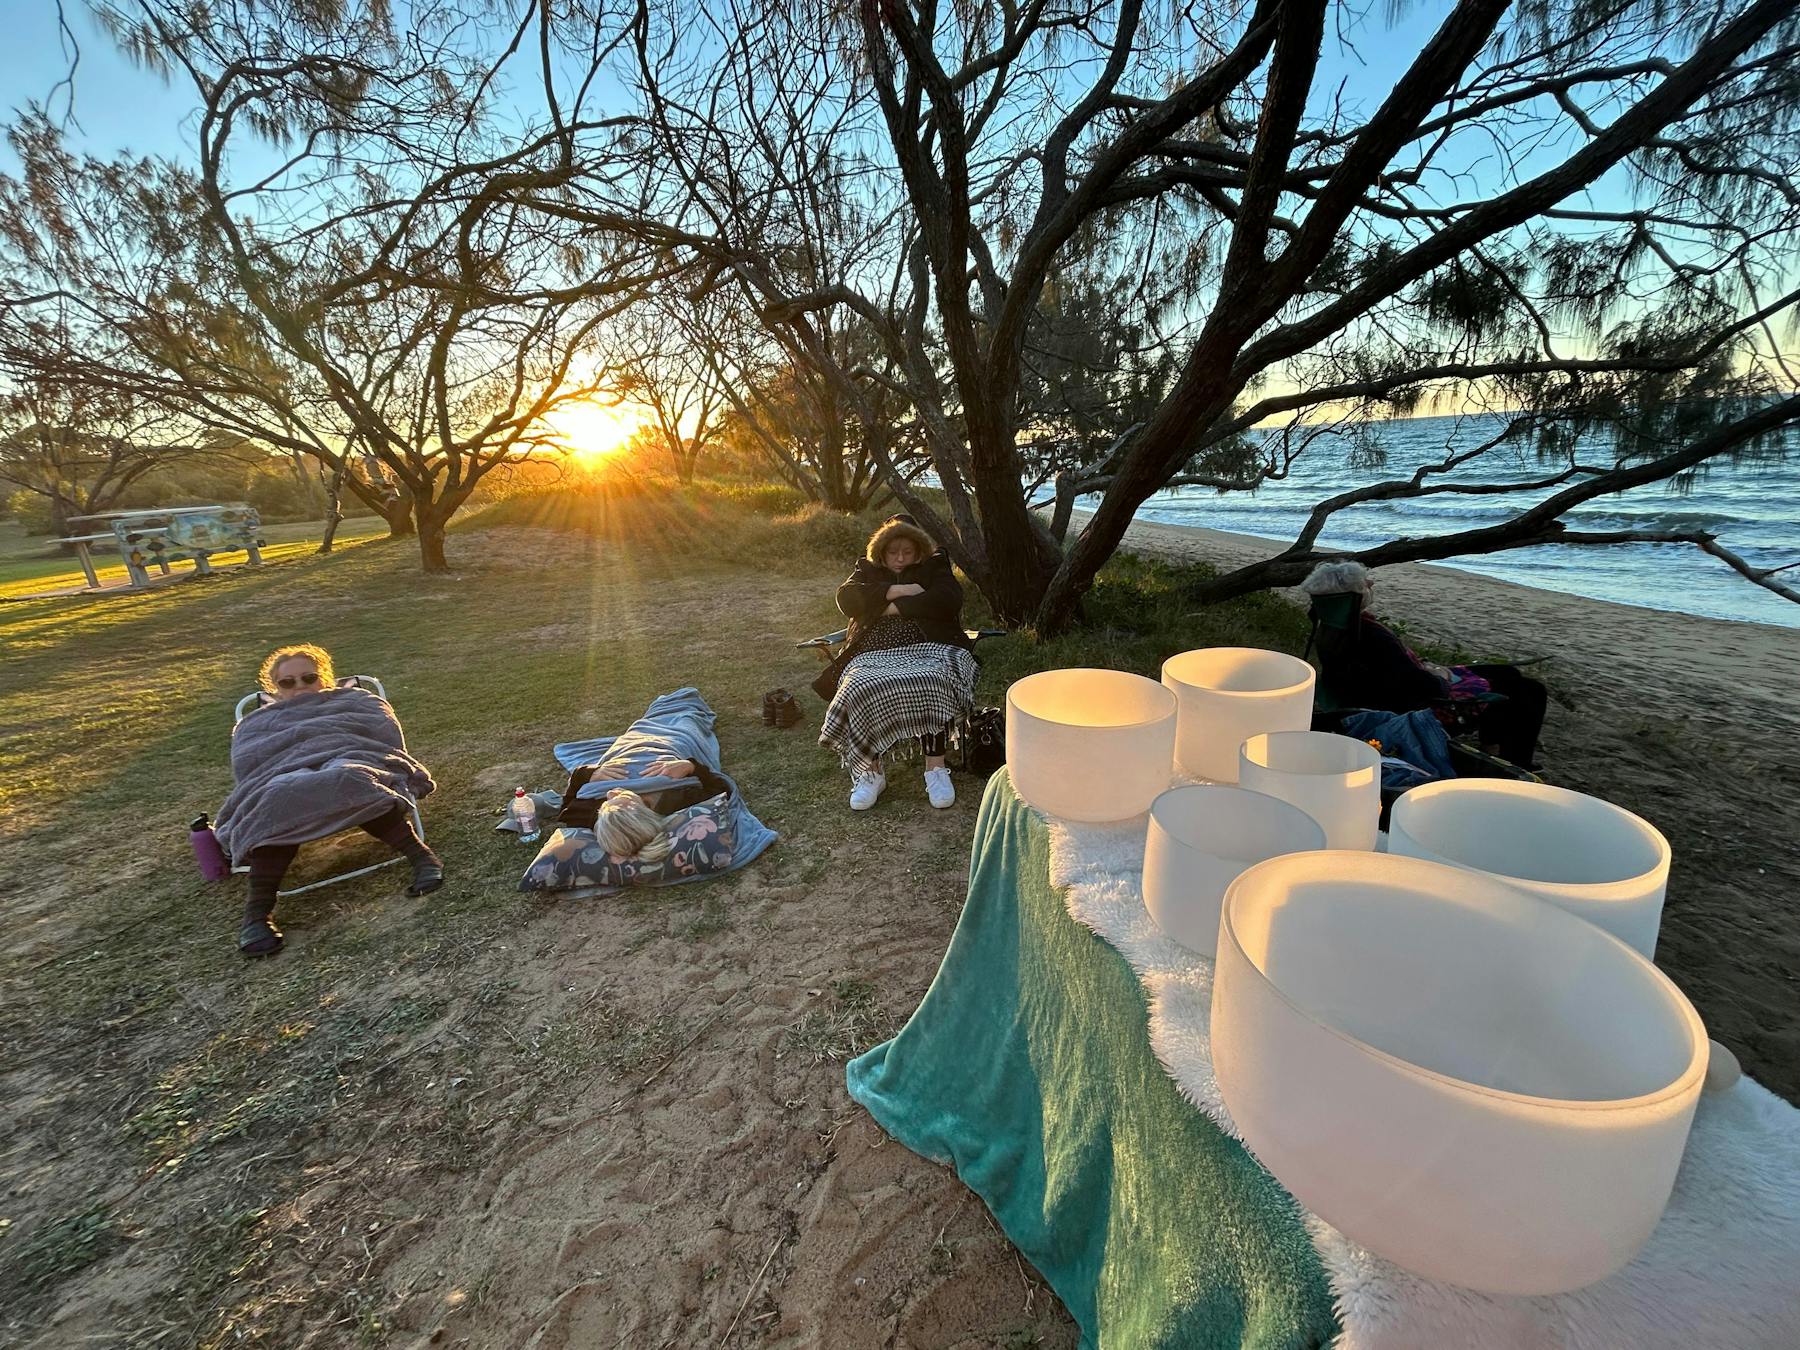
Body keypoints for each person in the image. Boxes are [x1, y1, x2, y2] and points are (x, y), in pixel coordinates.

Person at [223, 645, 443, 958]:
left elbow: (384, 735)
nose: (299, 687)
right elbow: (249, 765)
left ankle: (424, 858)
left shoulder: (356, 700)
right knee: (277, 796)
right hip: (280, 774)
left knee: (348, 777)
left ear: (324, 678)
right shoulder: (257, 722)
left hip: (350, 756)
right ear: (275, 688)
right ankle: (257, 914)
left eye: (308, 678)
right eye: (288, 682)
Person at [1300, 560, 1547, 769]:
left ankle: (1489, 743)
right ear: (1352, 597)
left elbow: (1396, 671)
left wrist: (1428, 669)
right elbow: (1426, 688)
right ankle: (1518, 763)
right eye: (1364, 582)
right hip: (1418, 703)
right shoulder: (1371, 636)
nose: (1371, 584)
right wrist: (1442, 676)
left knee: (1506, 672)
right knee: (1530, 691)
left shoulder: (1338, 629)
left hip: (1384, 689)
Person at [816, 515, 977, 810]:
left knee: (933, 678)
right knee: (860, 686)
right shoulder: (866, 568)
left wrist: (883, 607)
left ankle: (935, 768)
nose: (900, 559)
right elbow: (847, 599)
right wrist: (899, 591)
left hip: (929, 645)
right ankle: (871, 772)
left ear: (919, 551)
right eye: (893, 552)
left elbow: (948, 599)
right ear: (882, 551)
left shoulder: (935, 565)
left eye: (908, 552)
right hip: (872, 650)